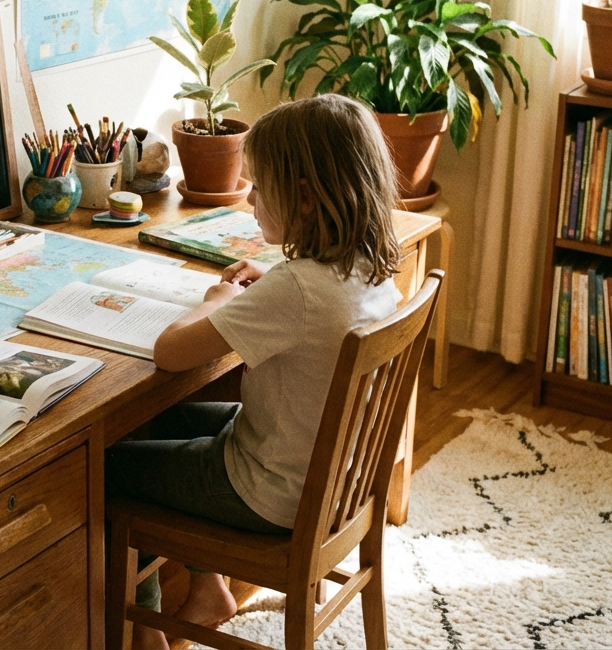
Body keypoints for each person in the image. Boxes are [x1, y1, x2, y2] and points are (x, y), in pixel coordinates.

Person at [104, 94, 403, 650]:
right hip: (332, 483)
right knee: (167, 420)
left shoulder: (296, 290)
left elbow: (171, 351)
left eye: (260, 185)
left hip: (268, 491)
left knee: (107, 466)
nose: (250, 196)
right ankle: (208, 587)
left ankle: (143, 635)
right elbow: (311, 305)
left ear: (306, 199)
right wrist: (270, 281)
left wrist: (218, 298)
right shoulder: (367, 264)